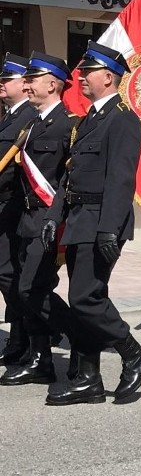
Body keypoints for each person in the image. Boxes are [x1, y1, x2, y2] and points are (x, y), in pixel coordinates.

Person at [42, 41, 141, 405]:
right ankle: (88, 380)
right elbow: (71, 175)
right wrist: (54, 215)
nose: (79, 76)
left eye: (86, 70)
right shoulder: (90, 118)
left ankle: (134, 353)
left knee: (85, 297)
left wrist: (110, 227)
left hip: (101, 223)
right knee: (83, 302)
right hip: (79, 220)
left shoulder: (122, 119)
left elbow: (121, 179)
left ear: (107, 77)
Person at [0, 53, 78, 386]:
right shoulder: (32, 124)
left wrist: (58, 217)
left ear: (52, 83)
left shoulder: (70, 123)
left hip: (48, 218)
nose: (27, 83)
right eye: (26, 78)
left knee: (30, 287)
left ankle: (86, 334)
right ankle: (40, 356)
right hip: (26, 217)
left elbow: (67, 178)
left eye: (32, 79)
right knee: (27, 286)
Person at [0, 53, 37, 367]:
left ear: (25, 85)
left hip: (13, 208)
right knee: (8, 276)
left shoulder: (28, 118)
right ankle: (19, 337)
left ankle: (26, 337)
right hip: (4, 207)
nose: (0, 84)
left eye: (6, 79)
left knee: (11, 275)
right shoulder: (11, 115)